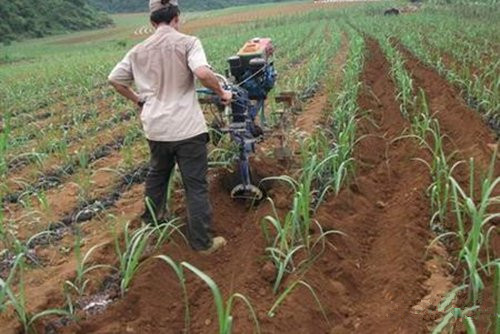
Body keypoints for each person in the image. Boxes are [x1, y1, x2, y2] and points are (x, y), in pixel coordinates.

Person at [108, 0, 231, 254]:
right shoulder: (188, 42)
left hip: (156, 129)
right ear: (177, 17)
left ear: (152, 22)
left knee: (157, 177)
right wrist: (221, 92)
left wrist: (138, 99)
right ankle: (202, 243)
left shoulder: (138, 51)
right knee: (195, 185)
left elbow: (115, 79)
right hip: (187, 129)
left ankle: (151, 231)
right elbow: (203, 73)